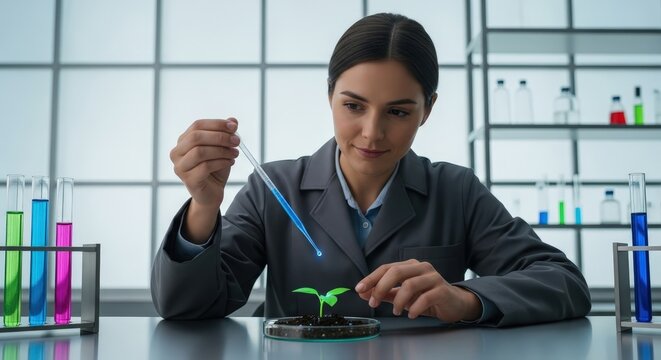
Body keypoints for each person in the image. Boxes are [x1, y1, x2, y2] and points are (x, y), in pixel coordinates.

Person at [151, 13, 591, 327]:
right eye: (353, 106)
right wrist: (204, 205)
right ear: (330, 97)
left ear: (428, 110)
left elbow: (563, 283)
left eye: (398, 112)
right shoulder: (275, 188)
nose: (372, 133)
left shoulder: (454, 190)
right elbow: (185, 307)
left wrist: (466, 300)